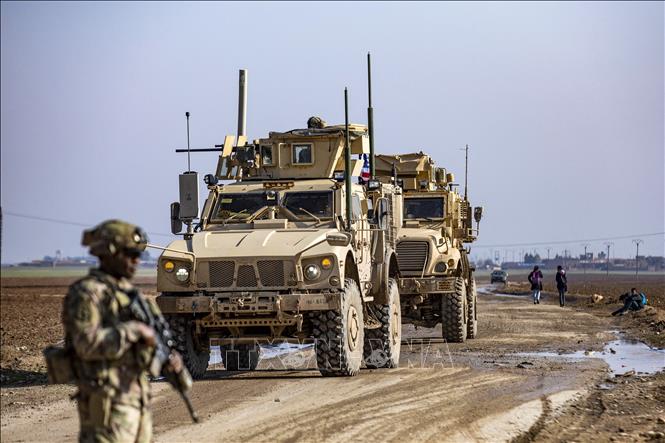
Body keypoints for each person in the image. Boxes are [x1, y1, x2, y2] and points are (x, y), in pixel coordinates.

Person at [62, 220, 184, 442]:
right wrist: (133, 331)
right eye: (130, 254)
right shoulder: (87, 294)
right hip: (105, 411)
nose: (136, 260)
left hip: (137, 409)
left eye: (138, 254)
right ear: (109, 253)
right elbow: (85, 344)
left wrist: (172, 364)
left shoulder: (132, 296)